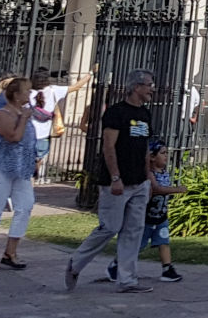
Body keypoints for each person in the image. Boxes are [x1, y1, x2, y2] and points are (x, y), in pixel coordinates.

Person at [64, 69, 156, 295]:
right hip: (117, 182)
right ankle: (76, 263)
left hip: (138, 182)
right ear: (136, 87)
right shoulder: (116, 113)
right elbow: (108, 146)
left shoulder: (145, 114)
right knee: (110, 227)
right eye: (149, 85)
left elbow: (144, 147)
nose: (151, 89)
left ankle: (127, 280)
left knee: (133, 231)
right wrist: (115, 177)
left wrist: (148, 177)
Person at [0, 76, 39, 271]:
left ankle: (10, 252)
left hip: (21, 169)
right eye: (27, 91)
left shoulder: (25, 112)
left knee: (25, 206)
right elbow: (14, 136)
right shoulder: (2, 114)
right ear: (16, 95)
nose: (30, 94)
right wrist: (24, 118)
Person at [105, 142, 184, 285]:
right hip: (146, 218)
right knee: (138, 245)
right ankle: (117, 265)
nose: (166, 156)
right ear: (152, 157)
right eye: (162, 153)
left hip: (161, 217)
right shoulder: (149, 175)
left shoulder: (164, 173)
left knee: (163, 242)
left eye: (166, 153)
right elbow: (157, 189)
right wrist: (177, 190)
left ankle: (167, 269)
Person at [30, 67, 89, 183]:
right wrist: (89, 74)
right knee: (36, 163)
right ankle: (32, 182)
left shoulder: (28, 93)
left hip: (28, 133)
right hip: (44, 134)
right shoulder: (53, 90)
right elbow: (76, 87)